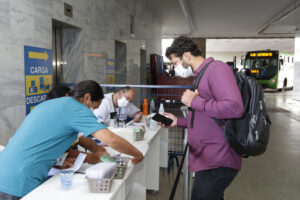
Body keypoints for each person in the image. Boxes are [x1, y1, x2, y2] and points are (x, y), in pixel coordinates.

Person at [0, 80, 144, 200]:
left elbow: (49, 145)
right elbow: (112, 140)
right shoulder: (76, 108)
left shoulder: (51, 104)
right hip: (20, 180)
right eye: (94, 107)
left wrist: (86, 157)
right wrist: (137, 154)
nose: (93, 112)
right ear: (87, 98)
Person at [163, 36, 244, 200]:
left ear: (186, 56)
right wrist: (179, 121)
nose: (174, 68)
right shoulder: (200, 76)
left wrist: (195, 101)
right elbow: (204, 117)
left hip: (218, 159)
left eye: (174, 63)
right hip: (207, 158)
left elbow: (235, 107)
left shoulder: (216, 69)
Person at [46, 85, 107, 165]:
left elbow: (81, 137)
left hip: (65, 164)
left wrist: (98, 149)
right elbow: (63, 151)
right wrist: (92, 158)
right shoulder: (52, 120)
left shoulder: (71, 116)